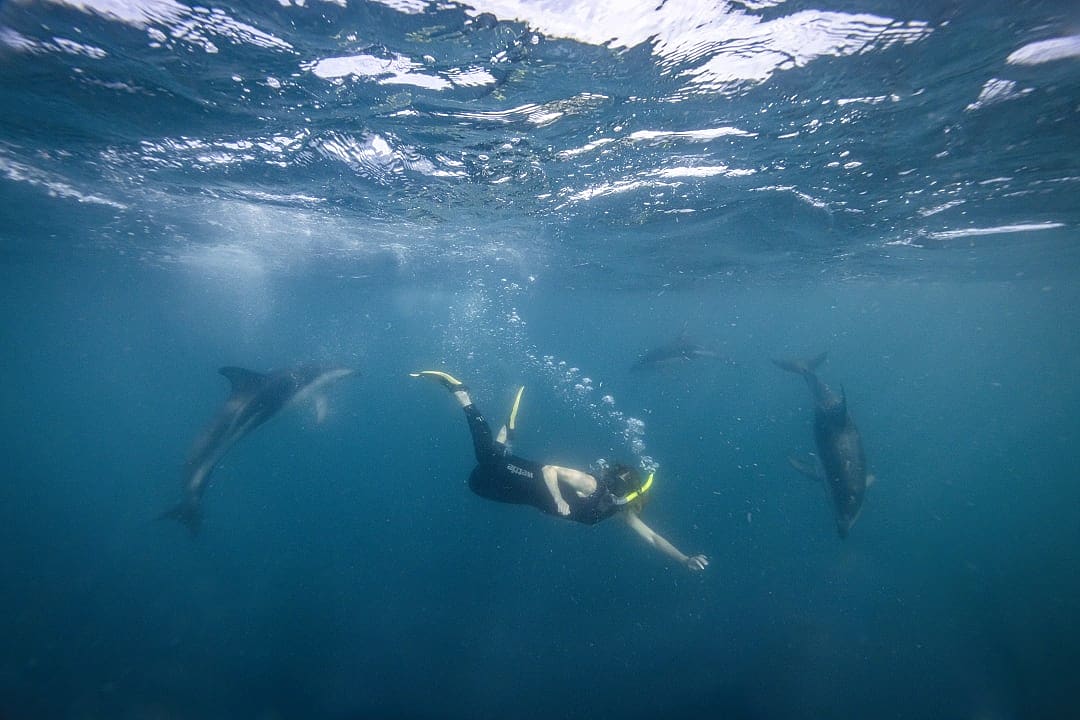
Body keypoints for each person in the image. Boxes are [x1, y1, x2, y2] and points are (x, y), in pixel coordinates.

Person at [411, 370, 708, 572]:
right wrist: (559, 500)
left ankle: (508, 434)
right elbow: (551, 469)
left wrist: (684, 559)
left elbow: (654, 538)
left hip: (526, 497)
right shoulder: (592, 484)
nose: (620, 498)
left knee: (477, 482)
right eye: (621, 492)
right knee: (487, 460)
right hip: (536, 478)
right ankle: (463, 395)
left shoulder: (619, 511)